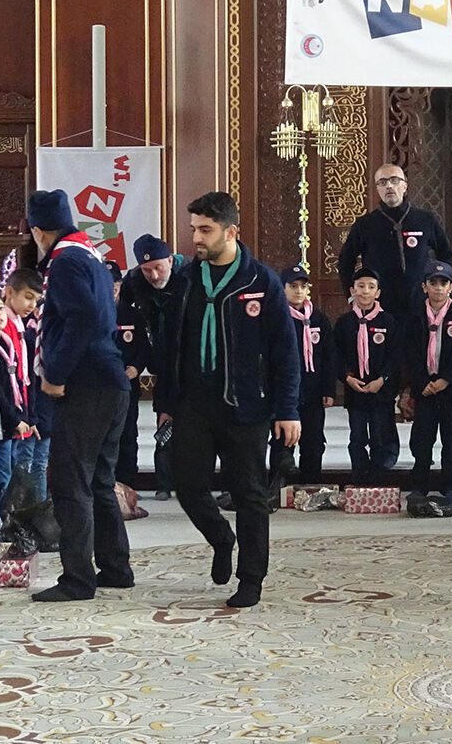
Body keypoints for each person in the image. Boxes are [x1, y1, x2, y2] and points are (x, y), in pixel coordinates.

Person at [153, 191, 301, 609]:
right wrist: (166, 403)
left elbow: (285, 351)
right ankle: (221, 538)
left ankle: (251, 579)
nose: (196, 238)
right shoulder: (184, 280)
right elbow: (170, 348)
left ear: (231, 231)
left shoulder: (261, 282)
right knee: (187, 486)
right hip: (193, 405)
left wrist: (288, 409)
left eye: (206, 229)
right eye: (194, 229)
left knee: (250, 495)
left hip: (246, 406)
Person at [27, 189, 134, 602]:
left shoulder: (66, 261)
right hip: (110, 381)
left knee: (71, 483)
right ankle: (115, 568)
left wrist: (55, 373)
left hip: (87, 384)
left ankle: (77, 579)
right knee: (100, 481)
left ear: (38, 231)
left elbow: (84, 318)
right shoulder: (89, 254)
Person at [337, 163, 452, 320]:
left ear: (405, 186)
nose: (389, 186)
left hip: (420, 304)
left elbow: (446, 255)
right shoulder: (365, 224)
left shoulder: (425, 220)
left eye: (394, 180)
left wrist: (442, 289)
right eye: (382, 182)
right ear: (377, 189)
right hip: (379, 306)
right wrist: (353, 296)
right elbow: (345, 261)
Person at [119, 234, 187, 500]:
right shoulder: (134, 280)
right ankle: (163, 482)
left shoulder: (189, 275)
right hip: (161, 359)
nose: (154, 275)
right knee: (164, 418)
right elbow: (123, 316)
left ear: (170, 260)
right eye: (147, 270)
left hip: (190, 357)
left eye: (158, 267)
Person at [405, 261, 452, 501]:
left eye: (443, 283)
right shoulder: (415, 316)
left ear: (450, 287)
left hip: (450, 389)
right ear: (424, 286)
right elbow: (409, 353)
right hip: (425, 388)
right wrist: (421, 381)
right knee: (422, 440)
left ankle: (450, 485)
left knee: (451, 439)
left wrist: (447, 379)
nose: (438, 288)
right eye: (433, 283)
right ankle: (419, 485)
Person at [333, 267, 401, 487]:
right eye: (360, 286)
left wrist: (382, 379)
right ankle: (359, 480)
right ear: (352, 290)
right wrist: (347, 378)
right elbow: (336, 355)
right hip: (356, 391)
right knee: (357, 438)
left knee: (380, 437)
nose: (365, 291)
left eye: (371, 287)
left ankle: (378, 482)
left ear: (378, 293)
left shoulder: (388, 321)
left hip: (380, 390)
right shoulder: (345, 323)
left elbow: (395, 356)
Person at [0, 290, 34, 552]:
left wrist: (24, 416)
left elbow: (17, 383)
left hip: (9, 423)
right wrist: (14, 419)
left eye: (0, 308)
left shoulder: (7, 341)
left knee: (3, 478)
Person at [277, 265, 335, 485]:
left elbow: (329, 356)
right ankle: (280, 488)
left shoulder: (318, 319)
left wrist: (328, 389)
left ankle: (311, 486)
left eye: (303, 286)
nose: (299, 291)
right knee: (283, 441)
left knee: (313, 441)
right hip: (286, 391)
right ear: (283, 288)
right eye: (293, 286)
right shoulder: (277, 316)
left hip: (313, 390)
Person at [2, 268, 47, 502]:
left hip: (23, 410)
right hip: (7, 413)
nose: (32, 305)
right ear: (10, 292)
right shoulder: (2, 325)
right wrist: (18, 416)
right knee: (4, 475)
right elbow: (2, 380)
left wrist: (30, 416)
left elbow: (25, 377)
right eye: (28, 297)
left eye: (36, 300)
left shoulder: (20, 323)